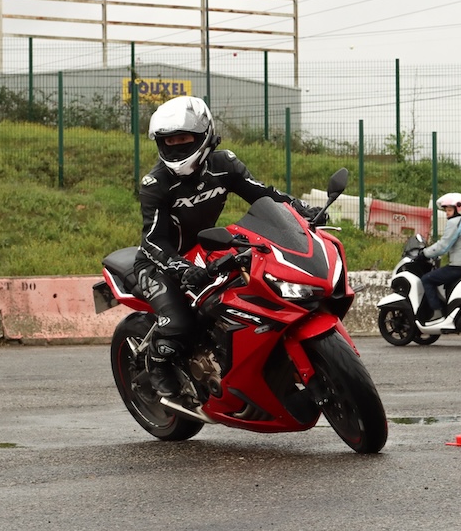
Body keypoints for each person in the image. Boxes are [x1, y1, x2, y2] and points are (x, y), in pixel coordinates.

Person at [133, 95, 323, 398]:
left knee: (248, 296)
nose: (176, 146)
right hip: (160, 263)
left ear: (204, 135)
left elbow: (265, 196)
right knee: (179, 326)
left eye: (184, 138)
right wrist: (180, 268)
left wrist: (303, 211)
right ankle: (157, 362)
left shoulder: (225, 164)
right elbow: (153, 238)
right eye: (169, 141)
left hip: (206, 251)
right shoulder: (155, 183)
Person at [418, 192, 461, 326]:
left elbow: (443, 245)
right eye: (446, 210)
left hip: (459, 266)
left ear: (459, 208)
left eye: (450, 210)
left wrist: (424, 253)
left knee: (427, 279)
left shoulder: (455, 222)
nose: (447, 213)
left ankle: (436, 312)